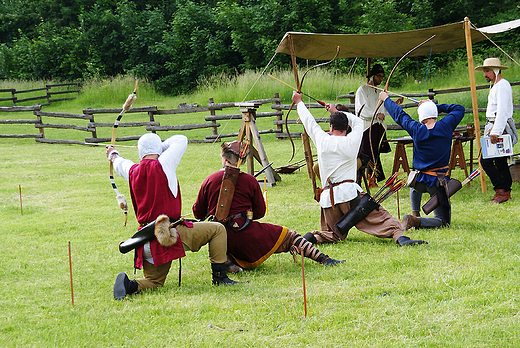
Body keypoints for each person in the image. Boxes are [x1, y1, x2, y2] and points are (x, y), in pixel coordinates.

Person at [107, 133, 240, 300]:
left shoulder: (133, 170)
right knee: (218, 229)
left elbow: (120, 164)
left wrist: (113, 155)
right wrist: (160, 147)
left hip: (147, 240)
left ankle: (129, 285)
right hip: (170, 234)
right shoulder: (163, 163)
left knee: (154, 281)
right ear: (159, 149)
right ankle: (220, 278)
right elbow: (181, 139)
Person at [291, 91, 426, 247]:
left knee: (332, 234)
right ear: (346, 127)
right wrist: (337, 111)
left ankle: (305, 240)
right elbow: (358, 122)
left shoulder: (322, 140)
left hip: (329, 199)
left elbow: (309, 122)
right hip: (350, 195)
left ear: (330, 127)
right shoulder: (352, 140)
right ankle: (400, 238)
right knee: (384, 219)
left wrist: (299, 102)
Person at [192, 141, 344, 271]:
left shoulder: (209, 180)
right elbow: (260, 212)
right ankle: (325, 259)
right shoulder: (250, 181)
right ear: (242, 161)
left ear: (224, 160)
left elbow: (198, 213)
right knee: (290, 235)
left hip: (221, 240)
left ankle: (229, 261)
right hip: (245, 236)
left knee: (219, 236)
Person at [379, 92, 465, 230]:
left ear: (421, 117)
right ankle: (415, 220)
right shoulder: (445, 125)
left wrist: (386, 99)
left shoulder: (416, 129)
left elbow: (400, 115)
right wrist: (435, 106)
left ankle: (415, 213)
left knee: (416, 181)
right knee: (443, 221)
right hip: (437, 183)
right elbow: (459, 108)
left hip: (417, 182)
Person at [475, 58, 516, 203]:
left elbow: (502, 111)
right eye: (484, 71)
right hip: (494, 126)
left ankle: (501, 190)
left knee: (485, 161)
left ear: (496, 71)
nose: (485, 74)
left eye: (487, 71)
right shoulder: (496, 86)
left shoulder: (502, 85)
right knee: (500, 162)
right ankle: (505, 191)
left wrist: (496, 131)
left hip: (498, 127)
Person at [355, 64, 403, 188]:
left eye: (382, 77)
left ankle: (372, 180)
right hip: (367, 127)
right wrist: (376, 115)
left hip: (378, 127)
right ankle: (363, 179)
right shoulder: (362, 90)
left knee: (375, 154)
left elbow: (383, 110)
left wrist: (395, 105)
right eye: (379, 76)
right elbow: (361, 110)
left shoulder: (380, 92)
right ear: (373, 76)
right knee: (366, 154)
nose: (381, 79)